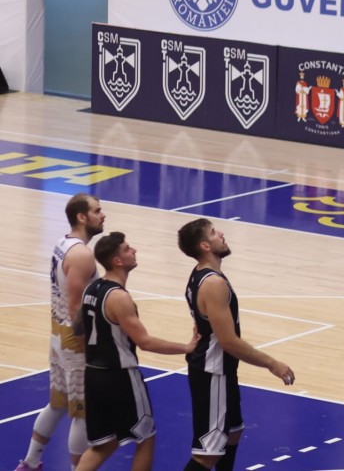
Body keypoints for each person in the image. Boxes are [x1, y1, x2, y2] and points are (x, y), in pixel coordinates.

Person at [177, 218, 296, 471]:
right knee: (207, 453)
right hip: (213, 372)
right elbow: (229, 342)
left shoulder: (201, 274)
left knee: (233, 432)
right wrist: (272, 363)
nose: (220, 233)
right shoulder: (213, 283)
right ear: (205, 246)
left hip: (220, 369)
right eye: (213, 232)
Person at [75, 232, 199, 471]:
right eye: (127, 249)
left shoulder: (91, 289)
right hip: (120, 376)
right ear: (117, 261)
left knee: (104, 444)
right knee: (146, 438)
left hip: (93, 374)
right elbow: (145, 342)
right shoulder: (119, 297)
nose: (134, 251)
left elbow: (78, 329)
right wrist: (187, 347)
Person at [15, 193, 105, 471]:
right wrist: (89, 347)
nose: (102, 215)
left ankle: (30, 462)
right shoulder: (82, 255)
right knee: (82, 412)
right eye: (97, 211)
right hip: (74, 340)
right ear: (81, 216)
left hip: (58, 331)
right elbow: (77, 308)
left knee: (58, 404)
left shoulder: (62, 244)